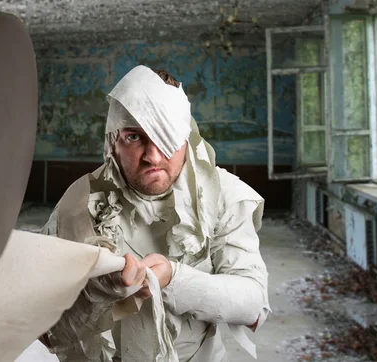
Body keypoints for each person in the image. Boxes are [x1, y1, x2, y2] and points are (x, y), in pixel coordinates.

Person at [39, 65, 270, 362]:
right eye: (134, 137)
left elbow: (253, 304)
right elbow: (46, 327)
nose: (153, 156)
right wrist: (96, 293)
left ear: (185, 137)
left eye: (166, 135)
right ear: (113, 141)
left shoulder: (223, 195)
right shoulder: (77, 205)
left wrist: (174, 280)